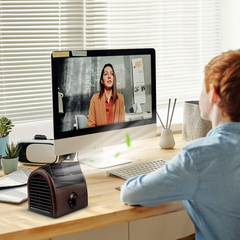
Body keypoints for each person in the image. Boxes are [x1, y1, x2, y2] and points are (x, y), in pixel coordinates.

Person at [120, 49, 240, 240]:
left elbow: (131, 193)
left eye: (203, 87)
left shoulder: (199, 157)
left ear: (214, 95)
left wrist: (169, 171)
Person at [87, 63, 125, 127]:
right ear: (102, 80)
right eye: (106, 74)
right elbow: (91, 125)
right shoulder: (95, 99)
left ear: (113, 79)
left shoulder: (120, 98)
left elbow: (122, 124)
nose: (109, 76)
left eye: (111, 74)